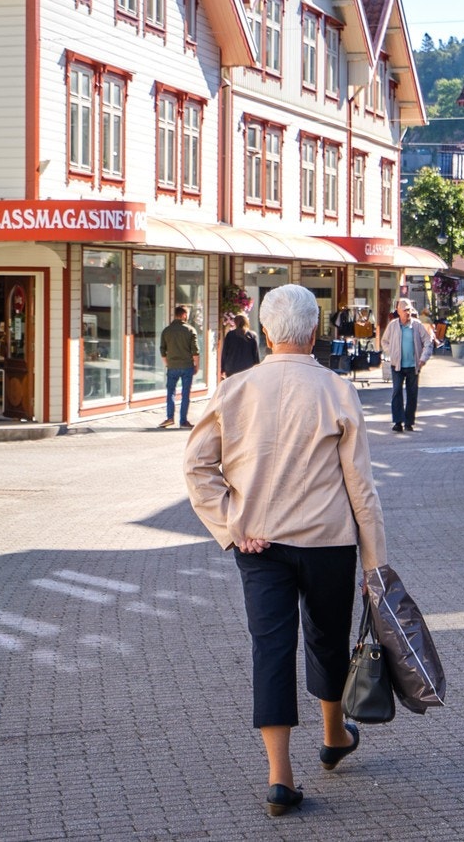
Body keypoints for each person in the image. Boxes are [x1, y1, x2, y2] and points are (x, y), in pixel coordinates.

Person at [184, 284, 387, 818]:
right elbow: (361, 487)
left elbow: (196, 467)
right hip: (327, 540)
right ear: (316, 333)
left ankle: (280, 776)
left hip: (259, 543)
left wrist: (231, 524)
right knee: (327, 639)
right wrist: (375, 563)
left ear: (268, 334)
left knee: (270, 649)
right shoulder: (338, 391)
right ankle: (333, 735)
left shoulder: (235, 390)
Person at [381, 297, 434, 432]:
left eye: (409, 310)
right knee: (397, 392)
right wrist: (391, 352)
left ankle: (409, 422)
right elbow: (384, 342)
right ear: (398, 311)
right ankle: (398, 422)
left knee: (412, 394)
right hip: (397, 365)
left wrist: (423, 358)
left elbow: (428, 342)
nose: (407, 313)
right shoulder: (393, 325)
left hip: (413, 365)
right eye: (404, 310)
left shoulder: (416, 325)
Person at [159, 305, 200, 428]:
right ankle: (183, 421)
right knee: (185, 394)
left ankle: (170, 418)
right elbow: (195, 351)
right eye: (186, 314)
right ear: (183, 315)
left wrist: (167, 363)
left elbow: (162, 350)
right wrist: (196, 365)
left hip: (172, 366)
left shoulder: (167, 330)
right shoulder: (190, 330)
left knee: (171, 392)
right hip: (187, 366)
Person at [220, 313, 260, 380]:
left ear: (235, 323)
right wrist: (257, 368)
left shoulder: (230, 335)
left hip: (231, 368)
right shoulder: (252, 336)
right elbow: (255, 355)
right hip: (247, 368)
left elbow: (224, 353)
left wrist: (222, 368)